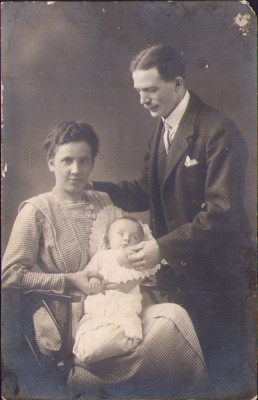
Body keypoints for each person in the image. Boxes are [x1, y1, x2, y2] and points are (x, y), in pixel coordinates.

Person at [92, 44, 256, 397]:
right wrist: (92, 188)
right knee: (185, 373)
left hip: (217, 279)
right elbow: (145, 190)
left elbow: (222, 213)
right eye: (139, 91)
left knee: (220, 373)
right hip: (180, 275)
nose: (143, 100)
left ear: (178, 84)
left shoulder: (218, 131)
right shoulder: (162, 127)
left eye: (150, 90)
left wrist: (160, 247)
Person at [2, 120, 208, 399]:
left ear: (92, 163)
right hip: (77, 324)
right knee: (166, 333)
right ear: (51, 163)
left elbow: (124, 248)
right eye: (67, 161)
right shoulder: (37, 210)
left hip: (124, 310)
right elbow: (9, 275)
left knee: (174, 317)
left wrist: (140, 263)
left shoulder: (102, 201)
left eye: (84, 161)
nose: (76, 170)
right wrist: (68, 280)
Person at [73, 216, 160, 364]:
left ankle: (106, 348)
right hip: (98, 307)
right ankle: (88, 351)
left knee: (120, 331)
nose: (126, 239)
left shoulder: (137, 259)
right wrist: (94, 279)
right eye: (121, 234)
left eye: (134, 237)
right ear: (108, 241)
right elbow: (88, 273)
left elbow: (149, 274)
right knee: (90, 330)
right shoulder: (101, 256)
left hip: (123, 309)